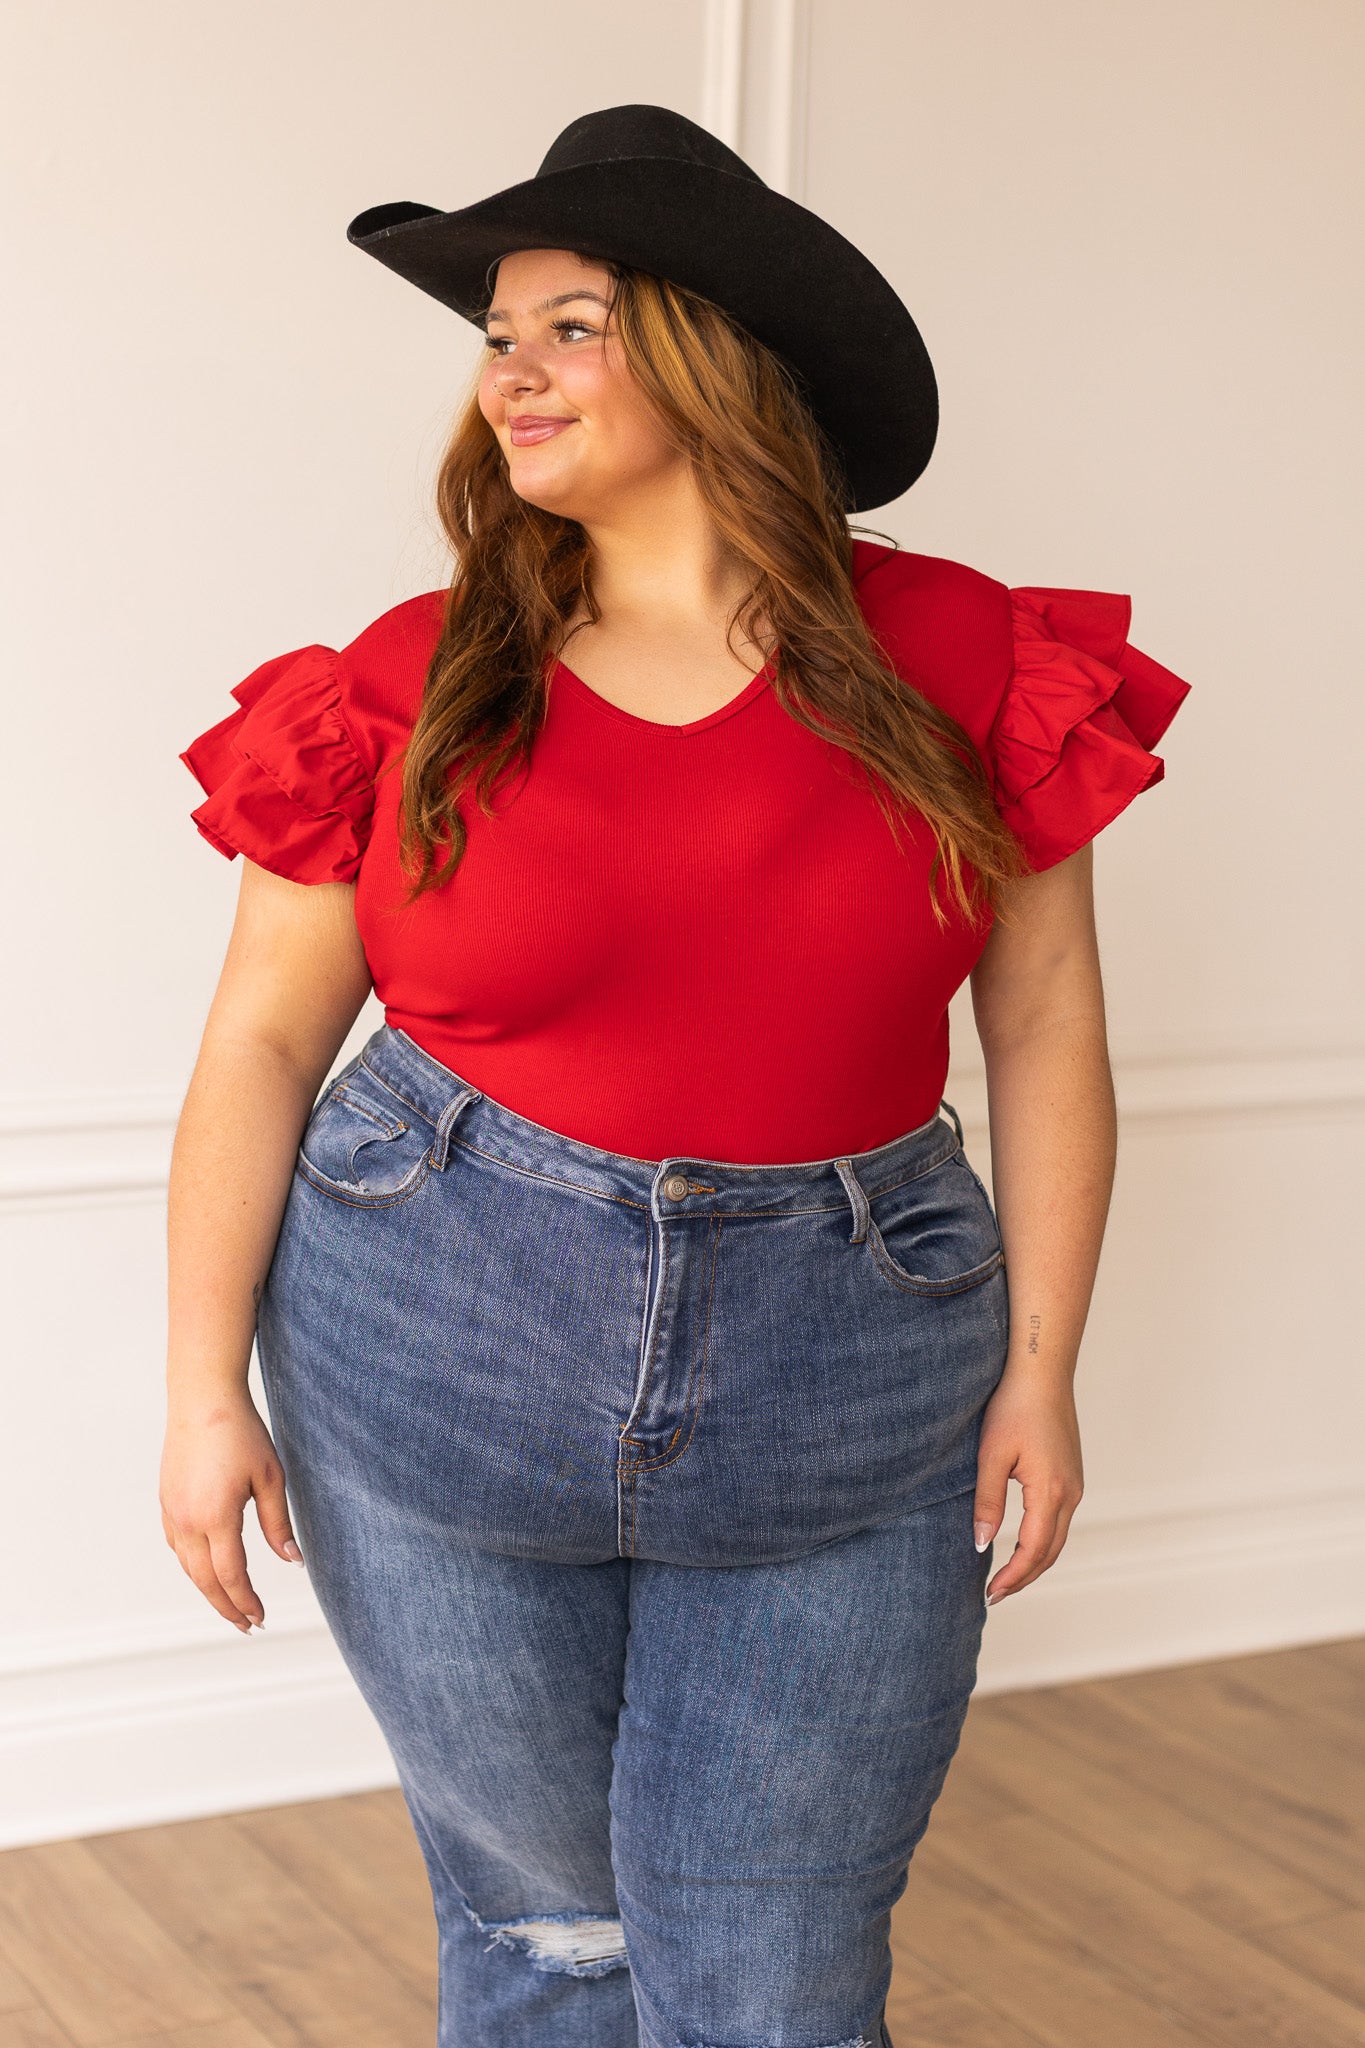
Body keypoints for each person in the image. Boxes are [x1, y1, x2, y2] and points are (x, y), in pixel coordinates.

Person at [160, 104, 1190, 2048]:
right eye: (496, 336)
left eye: (573, 327)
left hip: (847, 1382)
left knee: (771, 1984)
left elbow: (1046, 1024)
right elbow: (264, 1040)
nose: (509, 375)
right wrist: (202, 1386)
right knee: (551, 1937)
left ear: (723, 356)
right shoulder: (400, 679)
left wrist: (1043, 1370)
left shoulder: (970, 656)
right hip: (427, 1353)